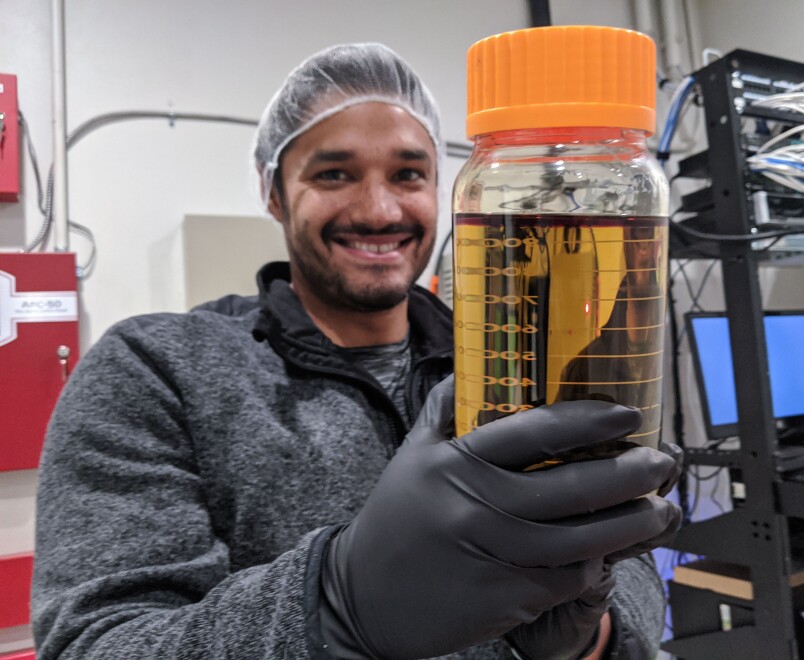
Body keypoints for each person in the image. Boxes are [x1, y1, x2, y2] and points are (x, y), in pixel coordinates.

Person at [32, 43, 681, 659]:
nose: (378, 209)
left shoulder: (513, 360)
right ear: (273, 191)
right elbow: (100, 642)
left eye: (408, 174)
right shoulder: (155, 370)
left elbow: (626, 554)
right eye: (335, 173)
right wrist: (333, 606)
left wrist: (591, 637)